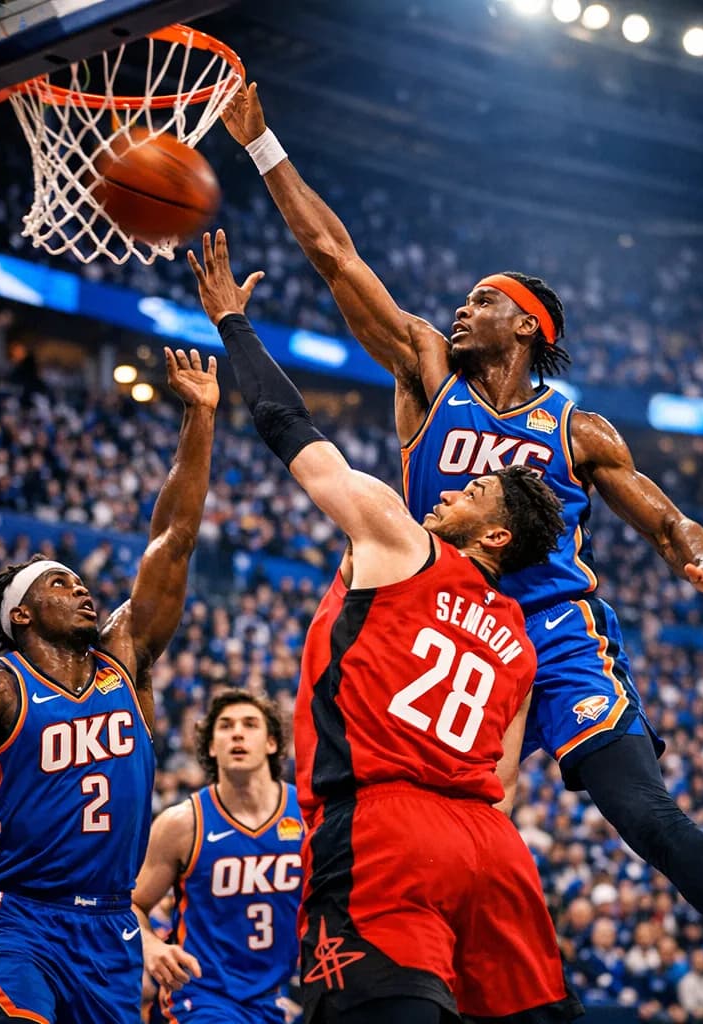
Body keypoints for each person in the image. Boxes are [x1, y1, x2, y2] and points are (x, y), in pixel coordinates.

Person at [221, 77, 703, 953]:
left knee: (640, 810)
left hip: (553, 630)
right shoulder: (429, 371)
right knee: (420, 819)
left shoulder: (579, 430)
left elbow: (668, 523)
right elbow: (335, 258)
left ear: (527, 326)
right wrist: (262, 145)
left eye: (481, 300)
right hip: (445, 629)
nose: (460, 309)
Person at [190, 235, 579, 1022]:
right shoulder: (521, 641)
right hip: (491, 851)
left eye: (475, 492)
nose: (453, 490)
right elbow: (504, 783)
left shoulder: (403, 540)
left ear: (495, 534)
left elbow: (286, 423)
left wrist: (233, 324)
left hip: (384, 825)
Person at [0, 343, 221, 1023]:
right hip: (19, 917)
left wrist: (200, 416)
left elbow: (174, 537)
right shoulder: (2, 687)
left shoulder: (124, 659)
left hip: (112, 925)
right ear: (21, 614)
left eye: (81, 580)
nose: (82, 588)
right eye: (61, 584)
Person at [134, 690, 304, 1024]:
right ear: (212, 747)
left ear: (272, 743)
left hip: (282, 992)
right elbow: (131, 904)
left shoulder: (306, 815)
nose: (237, 733)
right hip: (202, 994)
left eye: (250, 724)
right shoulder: (182, 823)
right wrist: (151, 946)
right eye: (226, 726)